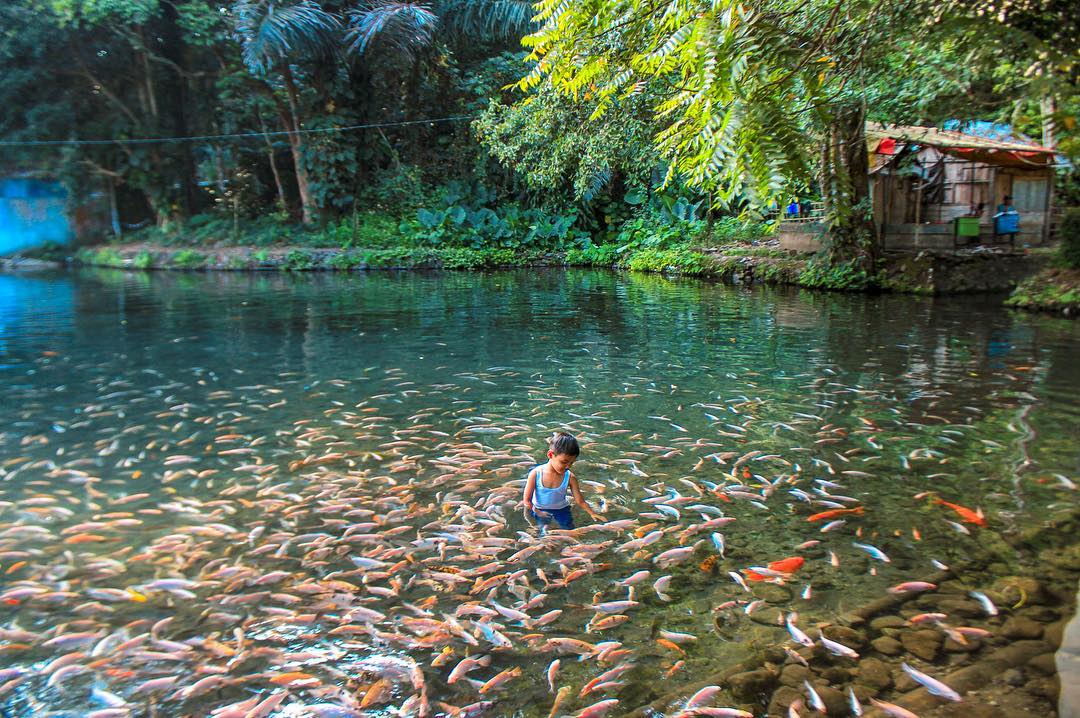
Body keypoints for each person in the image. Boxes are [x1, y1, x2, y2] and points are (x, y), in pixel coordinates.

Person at [522, 432, 602, 531]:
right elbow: (526, 500)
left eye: (572, 462)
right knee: (542, 533)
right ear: (550, 454)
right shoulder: (536, 474)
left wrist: (592, 513)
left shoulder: (570, 477)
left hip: (562, 510)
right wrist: (538, 512)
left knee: (569, 531)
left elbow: (580, 501)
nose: (568, 466)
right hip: (539, 509)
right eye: (564, 462)